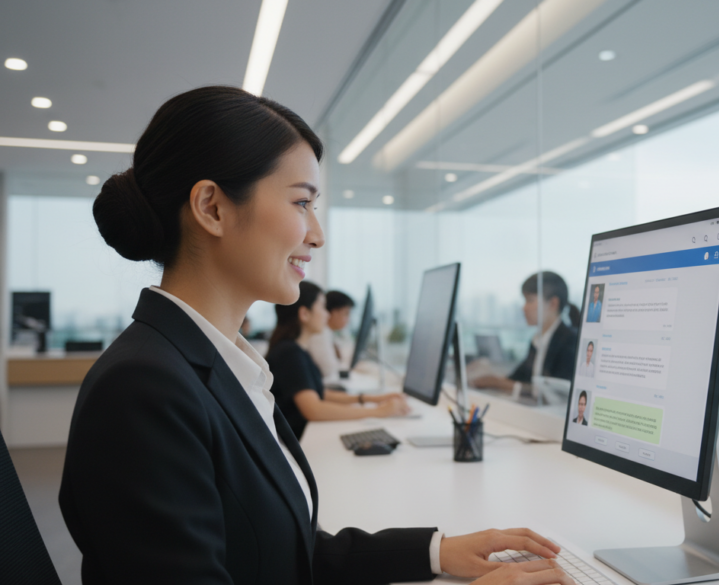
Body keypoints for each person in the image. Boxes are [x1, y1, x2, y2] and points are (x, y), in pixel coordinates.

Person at [59, 86, 570, 585]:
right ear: (212, 207)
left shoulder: (221, 367)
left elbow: (289, 552)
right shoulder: (143, 390)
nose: (317, 233)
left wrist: (436, 550)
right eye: (301, 203)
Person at [267, 281, 408, 438]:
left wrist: (374, 399)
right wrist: (379, 411)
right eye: (322, 307)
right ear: (304, 314)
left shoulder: (296, 350)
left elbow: (318, 393)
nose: (327, 315)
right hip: (298, 442)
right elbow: (314, 409)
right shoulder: (289, 353)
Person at [472, 271, 579, 398]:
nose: (524, 308)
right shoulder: (537, 340)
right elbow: (519, 377)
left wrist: (497, 382)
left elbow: (554, 394)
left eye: (530, 300)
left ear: (553, 304)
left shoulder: (570, 341)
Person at [306, 289, 355, 386]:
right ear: (333, 312)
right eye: (346, 314)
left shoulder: (328, 333)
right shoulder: (320, 333)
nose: (348, 320)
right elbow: (328, 369)